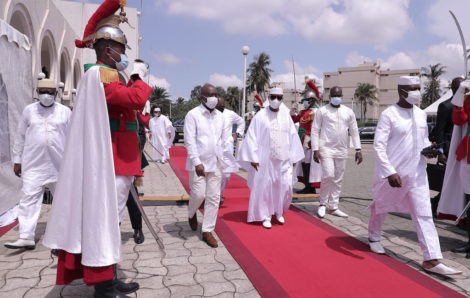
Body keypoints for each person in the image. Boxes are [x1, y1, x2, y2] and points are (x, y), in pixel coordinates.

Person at [42, 1, 152, 297]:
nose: (125, 56)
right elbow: (134, 100)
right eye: (122, 50)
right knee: (104, 223)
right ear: (107, 50)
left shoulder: (108, 74)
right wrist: (140, 78)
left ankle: (110, 276)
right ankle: (102, 285)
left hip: (119, 161)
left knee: (110, 224)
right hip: (110, 163)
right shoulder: (100, 76)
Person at [368, 76, 461, 276]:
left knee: (424, 213)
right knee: (380, 205)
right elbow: (379, 146)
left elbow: (423, 139)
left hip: (417, 173)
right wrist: (390, 171)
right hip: (393, 173)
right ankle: (374, 237)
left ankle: (431, 259)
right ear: (401, 90)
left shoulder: (420, 114)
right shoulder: (389, 114)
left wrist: (428, 149)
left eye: (418, 88)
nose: (417, 92)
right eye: (412, 88)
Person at [4, 79, 71, 250]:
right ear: (37, 92)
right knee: (28, 198)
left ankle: (63, 236)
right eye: (43, 91)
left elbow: (73, 138)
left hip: (60, 164)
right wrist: (17, 160)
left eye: (50, 91)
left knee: (63, 200)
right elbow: (20, 136)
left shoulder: (65, 112)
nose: (46, 95)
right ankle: (26, 236)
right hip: (33, 163)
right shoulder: (29, 111)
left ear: (56, 93)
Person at [238, 88, 304, 229]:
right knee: (265, 187)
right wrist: (253, 157)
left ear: (282, 99)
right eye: (273, 97)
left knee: (284, 186)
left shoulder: (286, 116)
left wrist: (293, 158)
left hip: (284, 158)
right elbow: (251, 137)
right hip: (265, 159)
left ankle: (278, 212)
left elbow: (293, 137)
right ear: (269, 97)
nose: (276, 100)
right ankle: (266, 215)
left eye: (279, 97)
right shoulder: (260, 116)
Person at [184, 84, 229, 247]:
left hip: (215, 163)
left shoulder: (220, 116)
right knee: (198, 195)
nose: (214, 98)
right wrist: (196, 162)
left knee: (214, 198)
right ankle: (191, 213)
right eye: (211, 95)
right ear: (201, 97)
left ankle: (207, 230)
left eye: (216, 94)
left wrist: (225, 158)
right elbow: (189, 140)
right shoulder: (193, 115)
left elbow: (224, 139)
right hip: (199, 164)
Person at [312, 86, 362, 218]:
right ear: (329, 97)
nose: (336, 97)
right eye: (334, 95)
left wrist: (358, 149)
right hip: (326, 148)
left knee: (338, 178)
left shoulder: (348, 112)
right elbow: (315, 130)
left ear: (342, 96)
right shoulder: (322, 111)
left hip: (341, 149)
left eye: (339, 95)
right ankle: (323, 203)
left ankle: (333, 207)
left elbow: (354, 131)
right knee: (328, 175)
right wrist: (315, 149)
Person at [438, 79, 470, 257]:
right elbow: (459, 119)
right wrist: (462, 94)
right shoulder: (466, 100)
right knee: (468, 200)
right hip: (467, 154)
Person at [430, 78, 463, 214]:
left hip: (461, 148)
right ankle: (435, 205)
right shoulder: (446, 106)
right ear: (454, 89)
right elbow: (439, 130)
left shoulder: (464, 105)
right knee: (449, 181)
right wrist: (440, 152)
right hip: (449, 147)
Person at [216, 96, 245, 206]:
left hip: (226, 148)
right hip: (212, 148)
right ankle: (214, 196)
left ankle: (220, 194)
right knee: (213, 173)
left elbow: (241, 122)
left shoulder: (230, 113)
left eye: (222, 107)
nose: (220, 109)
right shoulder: (209, 114)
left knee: (226, 175)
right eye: (218, 107)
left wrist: (236, 135)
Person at [292, 90, 322, 194]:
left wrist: (310, 140)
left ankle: (310, 187)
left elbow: (314, 128)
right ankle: (307, 186)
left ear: (312, 101)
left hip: (309, 140)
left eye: (306, 100)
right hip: (302, 139)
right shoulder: (303, 112)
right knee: (303, 164)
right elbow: (294, 120)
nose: (304, 102)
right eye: (304, 100)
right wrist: (293, 111)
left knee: (308, 164)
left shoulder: (315, 112)